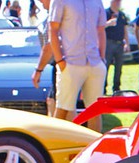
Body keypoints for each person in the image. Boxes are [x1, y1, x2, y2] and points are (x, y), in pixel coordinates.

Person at [49, 0, 107, 132]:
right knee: (63, 108)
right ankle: (56, 144)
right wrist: (60, 61)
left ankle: (94, 145)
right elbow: (53, 29)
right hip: (70, 62)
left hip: (94, 62)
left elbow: (101, 30)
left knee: (95, 111)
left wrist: (102, 58)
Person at [31, 0, 56, 116]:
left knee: (61, 105)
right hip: (58, 64)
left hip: (61, 63)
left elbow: (49, 47)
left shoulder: (53, 19)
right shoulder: (48, 18)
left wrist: (38, 70)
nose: (40, 2)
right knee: (53, 101)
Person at [104, 0, 129, 94]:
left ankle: (116, 88)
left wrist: (127, 43)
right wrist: (109, 23)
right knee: (106, 66)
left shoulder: (122, 15)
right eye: (116, 1)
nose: (118, 3)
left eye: (119, 1)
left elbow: (125, 30)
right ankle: (103, 87)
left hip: (119, 44)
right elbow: (100, 26)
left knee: (119, 67)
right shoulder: (106, 12)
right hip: (108, 43)